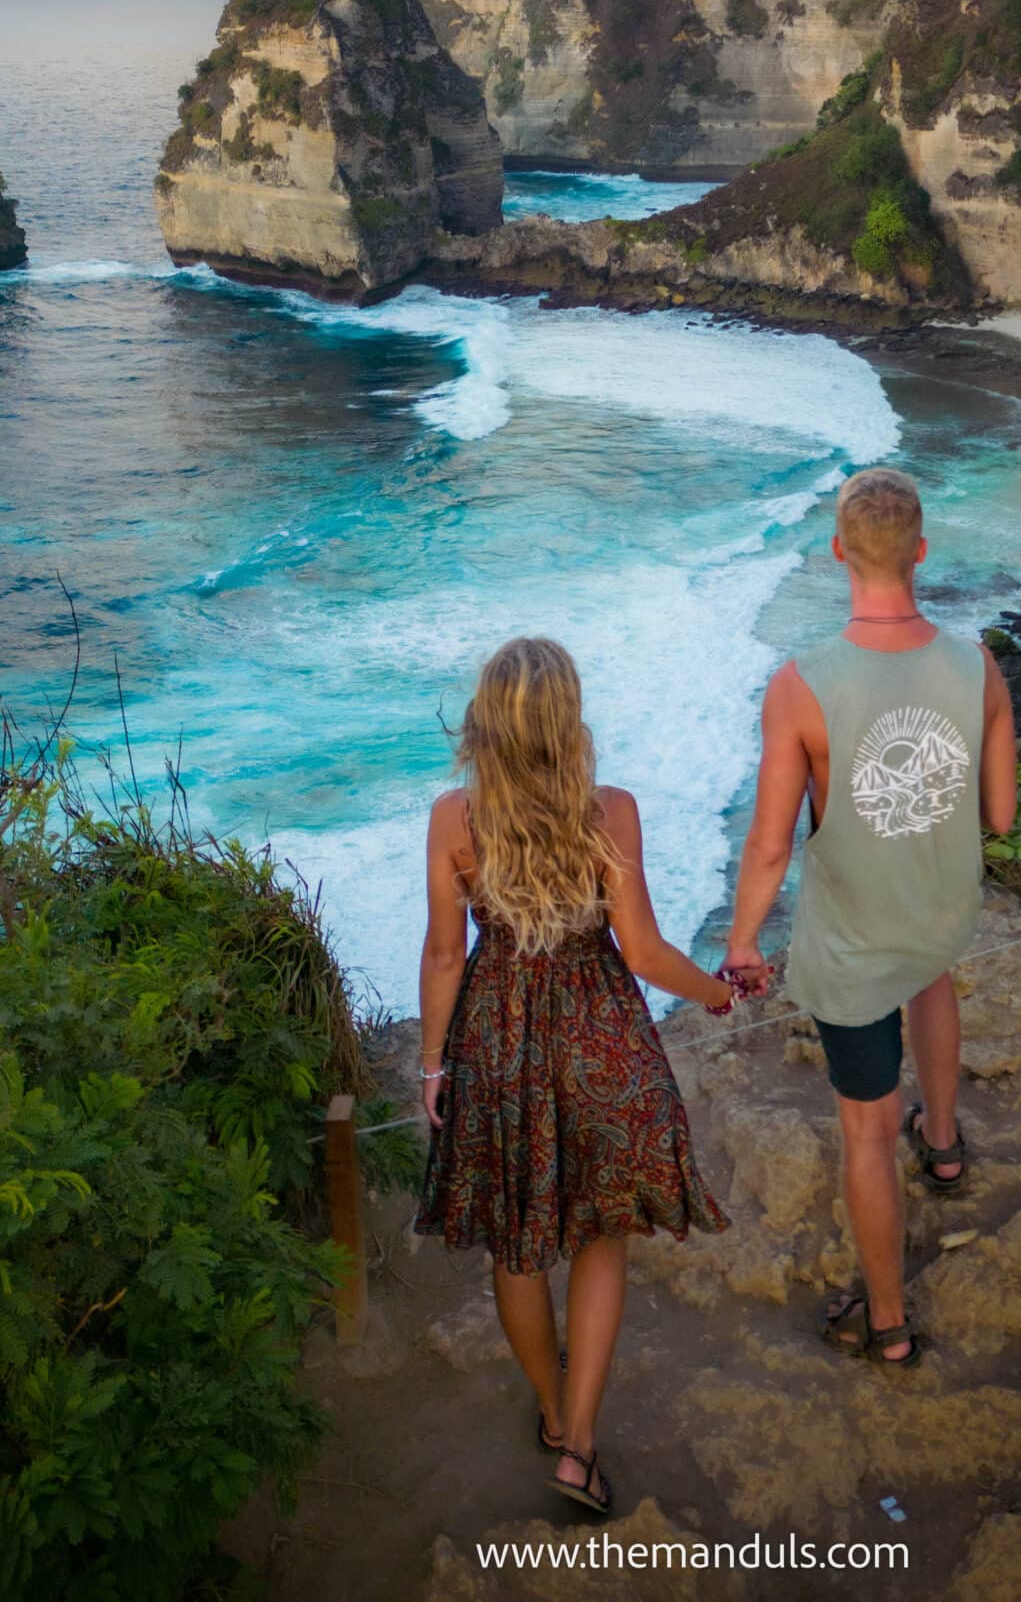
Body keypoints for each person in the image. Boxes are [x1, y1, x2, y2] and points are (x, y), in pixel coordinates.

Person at [416, 635, 737, 1515]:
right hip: (597, 1030)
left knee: (518, 1242)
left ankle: (554, 1412)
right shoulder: (609, 812)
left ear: (485, 722)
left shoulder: (456, 819)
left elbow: (446, 953)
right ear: (568, 719)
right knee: (600, 1232)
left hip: (499, 1035)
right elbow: (642, 952)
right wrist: (715, 995)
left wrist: (433, 1063)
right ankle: (581, 1446)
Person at [722, 466, 1017, 1369]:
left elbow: (771, 848)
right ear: (920, 552)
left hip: (854, 942)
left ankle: (885, 1320)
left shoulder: (801, 685)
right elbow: (999, 816)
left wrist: (738, 944)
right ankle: (945, 1145)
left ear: (837, 553)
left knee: (862, 1131)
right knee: (928, 976)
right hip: (938, 910)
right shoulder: (978, 666)